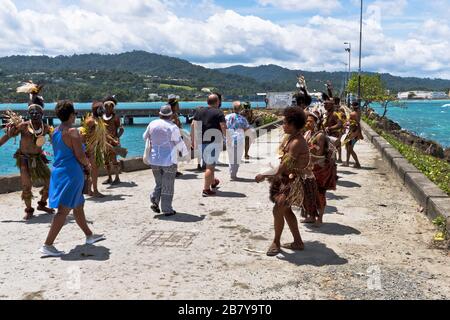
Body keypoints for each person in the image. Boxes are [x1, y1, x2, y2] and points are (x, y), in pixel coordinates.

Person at [40, 100, 105, 257]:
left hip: (59, 172)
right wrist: (88, 165)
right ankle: (47, 245)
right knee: (63, 210)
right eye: (75, 113)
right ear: (70, 115)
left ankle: (89, 235)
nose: (76, 116)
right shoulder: (72, 131)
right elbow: (80, 155)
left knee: (78, 205)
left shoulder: (55, 131)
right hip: (72, 173)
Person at [256, 107, 313, 256]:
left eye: (285, 122)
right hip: (287, 180)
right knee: (285, 210)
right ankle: (298, 242)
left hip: (291, 183)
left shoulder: (296, 143)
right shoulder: (291, 139)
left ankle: (276, 241)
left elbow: (284, 165)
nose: (283, 125)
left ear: (293, 124)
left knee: (278, 209)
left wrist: (264, 175)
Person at [0, 83, 55, 220]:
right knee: (26, 185)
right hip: (24, 159)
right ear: (28, 114)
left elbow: (56, 142)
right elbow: (7, 136)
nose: (34, 114)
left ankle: (42, 204)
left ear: (42, 113)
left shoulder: (47, 128)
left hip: (38, 158)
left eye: (37, 112)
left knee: (49, 181)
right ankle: (29, 209)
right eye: (32, 113)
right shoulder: (23, 126)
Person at [143, 105, 189, 216]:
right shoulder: (173, 127)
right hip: (169, 160)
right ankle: (167, 209)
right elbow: (179, 143)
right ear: (171, 115)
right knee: (168, 185)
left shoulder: (152, 124)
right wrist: (186, 154)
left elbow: (145, 137)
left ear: (159, 114)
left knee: (159, 183)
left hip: (154, 159)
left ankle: (154, 199)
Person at [303, 112, 337, 226]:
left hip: (320, 169)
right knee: (308, 193)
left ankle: (320, 218)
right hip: (309, 167)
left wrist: (307, 152)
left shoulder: (320, 135)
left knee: (319, 193)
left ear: (316, 123)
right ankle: (312, 216)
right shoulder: (308, 133)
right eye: (307, 121)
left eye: (310, 121)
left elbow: (319, 153)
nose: (308, 123)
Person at [191, 94, 226, 197]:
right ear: (217, 102)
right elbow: (223, 126)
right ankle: (206, 190)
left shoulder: (200, 111)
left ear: (207, 102)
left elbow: (193, 125)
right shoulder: (219, 112)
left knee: (209, 165)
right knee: (210, 167)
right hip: (213, 142)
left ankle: (213, 182)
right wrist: (227, 138)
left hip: (201, 141)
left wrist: (192, 140)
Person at [79, 101, 111, 198]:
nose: (103, 110)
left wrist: (110, 143)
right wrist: (86, 150)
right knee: (94, 170)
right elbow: (83, 136)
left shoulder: (98, 120)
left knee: (94, 170)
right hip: (90, 149)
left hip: (95, 148)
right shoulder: (91, 121)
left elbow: (101, 135)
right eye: (101, 109)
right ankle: (95, 190)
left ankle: (89, 190)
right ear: (96, 110)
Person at [102, 96, 124, 185]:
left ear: (113, 108)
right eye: (106, 107)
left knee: (114, 160)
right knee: (106, 160)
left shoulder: (115, 117)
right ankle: (109, 177)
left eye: (110, 107)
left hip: (113, 141)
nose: (108, 108)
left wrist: (117, 137)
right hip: (104, 142)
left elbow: (121, 129)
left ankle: (117, 177)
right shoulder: (102, 118)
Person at [225, 101, 250, 180]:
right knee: (237, 157)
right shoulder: (243, 119)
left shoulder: (227, 117)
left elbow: (223, 126)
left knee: (230, 156)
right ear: (240, 109)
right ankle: (233, 174)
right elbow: (246, 128)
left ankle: (231, 172)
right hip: (239, 139)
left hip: (229, 138)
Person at [343, 102, 363, 168]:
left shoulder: (352, 114)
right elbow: (357, 123)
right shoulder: (359, 113)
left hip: (353, 133)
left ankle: (357, 163)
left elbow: (352, 123)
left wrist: (346, 124)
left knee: (350, 148)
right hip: (354, 132)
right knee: (348, 147)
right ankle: (347, 162)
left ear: (352, 106)